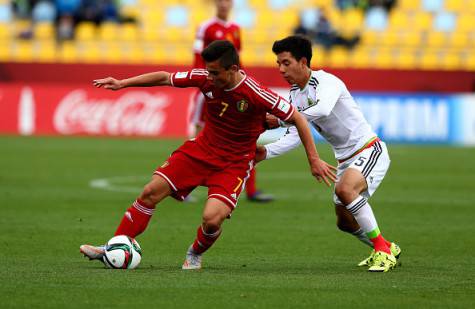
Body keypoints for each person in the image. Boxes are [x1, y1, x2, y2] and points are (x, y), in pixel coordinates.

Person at [80, 40, 336, 270]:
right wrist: (123, 83)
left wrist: (313, 159)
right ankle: (114, 245)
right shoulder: (205, 77)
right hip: (200, 151)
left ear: (233, 69)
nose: (209, 77)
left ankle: (195, 253)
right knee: (150, 192)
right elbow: (165, 78)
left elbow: (299, 119)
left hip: (234, 163)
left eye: (215, 72)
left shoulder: (256, 93)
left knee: (212, 220)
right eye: (208, 71)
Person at [256, 35, 400, 272]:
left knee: (346, 190)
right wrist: (265, 153)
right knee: (344, 222)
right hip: (344, 159)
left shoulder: (326, 82)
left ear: (303, 61)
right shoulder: (295, 95)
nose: (281, 69)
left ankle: (383, 252)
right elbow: (296, 135)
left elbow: (322, 109)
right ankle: (385, 246)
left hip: (368, 148)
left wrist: (282, 120)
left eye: (286, 63)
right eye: (278, 64)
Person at [190, 0, 273, 202]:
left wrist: (243, 83)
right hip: (210, 91)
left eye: (227, 1)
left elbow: (237, 62)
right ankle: (186, 186)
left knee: (246, 135)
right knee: (200, 137)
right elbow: (197, 59)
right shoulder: (206, 27)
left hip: (231, 91)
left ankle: (251, 190)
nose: (223, 4)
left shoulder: (236, 29)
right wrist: (206, 83)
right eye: (220, 1)